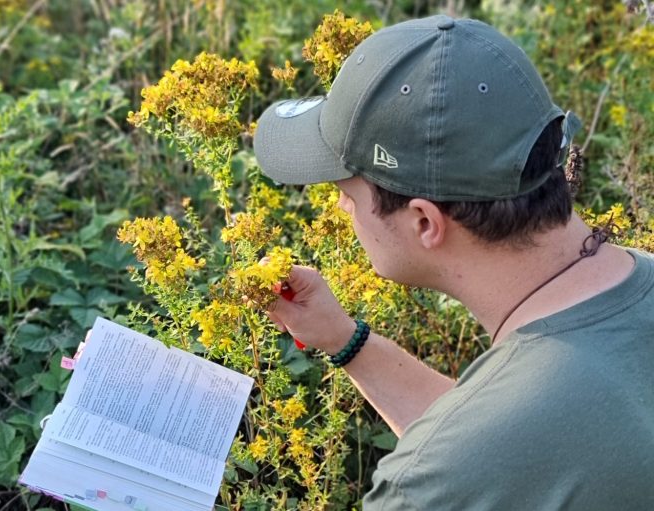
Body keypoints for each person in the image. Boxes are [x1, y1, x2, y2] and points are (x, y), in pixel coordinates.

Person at [253, 15, 654, 510]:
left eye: (345, 190)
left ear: (425, 222)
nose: (341, 208)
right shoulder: (637, 290)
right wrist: (345, 340)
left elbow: (469, 463)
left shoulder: (423, 490)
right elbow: (507, 452)